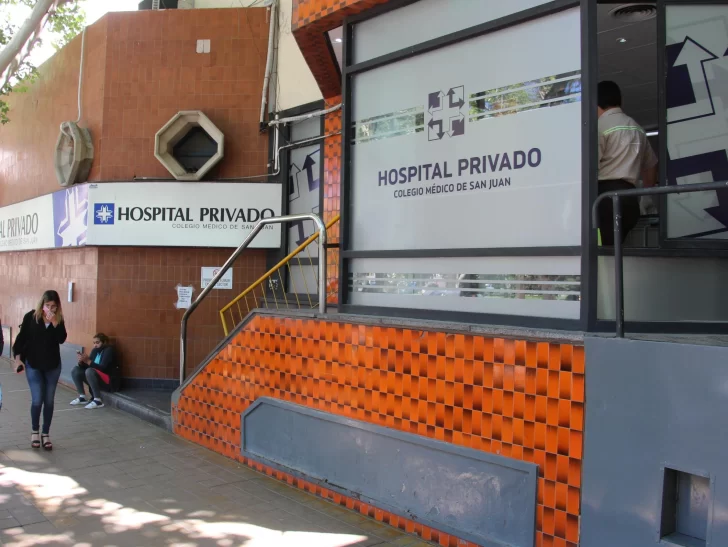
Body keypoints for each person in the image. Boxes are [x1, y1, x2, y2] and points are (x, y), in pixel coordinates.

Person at [597, 80, 658, 245]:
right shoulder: (637, 127)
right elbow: (651, 165)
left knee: (601, 250)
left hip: (605, 199)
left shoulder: (599, 127)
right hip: (630, 200)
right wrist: (646, 196)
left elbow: (589, 168)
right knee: (615, 248)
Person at [13, 290, 67, 450]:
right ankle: (34, 431)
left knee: (49, 401)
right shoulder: (31, 317)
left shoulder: (58, 319)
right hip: (33, 364)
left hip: (52, 366)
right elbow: (21, 339)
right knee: (37, 400)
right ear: (42, 304)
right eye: (47, 305)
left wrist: (55, 323)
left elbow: (62, 339)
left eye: (53, 306)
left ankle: (45, 434)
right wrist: (18, 359)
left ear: (58, 307)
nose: (50, 309)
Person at [70, 333, 117, 409]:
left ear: (104, 342)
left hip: (108, 381)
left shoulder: (109, 350)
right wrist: (82, 362)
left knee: (89, 371)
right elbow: (89, 365)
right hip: (95, 377)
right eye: (94, 343)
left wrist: (88, 361)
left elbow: (102, 368)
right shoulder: (95, 351)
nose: (95, 345)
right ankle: (82, 397)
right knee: (76, 370)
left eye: (97, 343)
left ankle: (97, 400)